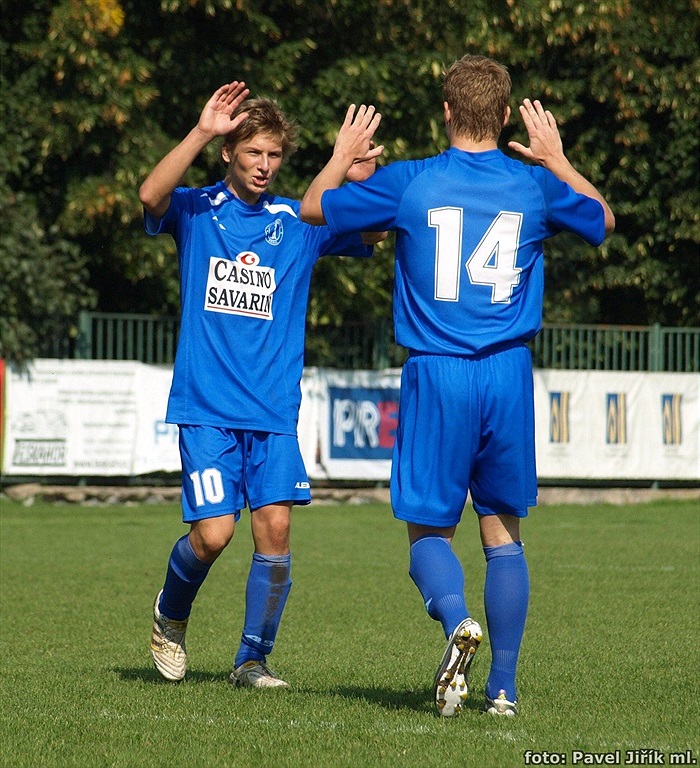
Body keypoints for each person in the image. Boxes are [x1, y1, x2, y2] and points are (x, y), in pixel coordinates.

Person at [300, 54, 615, 716]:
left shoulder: (410, 182)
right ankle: (502, 687)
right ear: (504, 117)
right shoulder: (533, 187)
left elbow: (310, 209)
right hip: (505, 371)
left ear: (445, 110)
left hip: (436, 371)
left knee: (427, 536)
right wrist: (556, 158)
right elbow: (602, 218)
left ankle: (456, 627)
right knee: (503, 535)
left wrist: (342, 154)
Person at [139, 80, 383, 688]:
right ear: (230, 153)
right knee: (214, 534)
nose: (265, 167)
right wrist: (200, 129)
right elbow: (148, 193)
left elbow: (376, 229)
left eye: (274, 156)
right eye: (254, 153)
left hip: (273, 411)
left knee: (274, 530)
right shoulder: (197, 211)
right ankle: (171, 613)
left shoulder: (296, 220)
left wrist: (361, 173)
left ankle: (252, 660)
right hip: (207, 407)